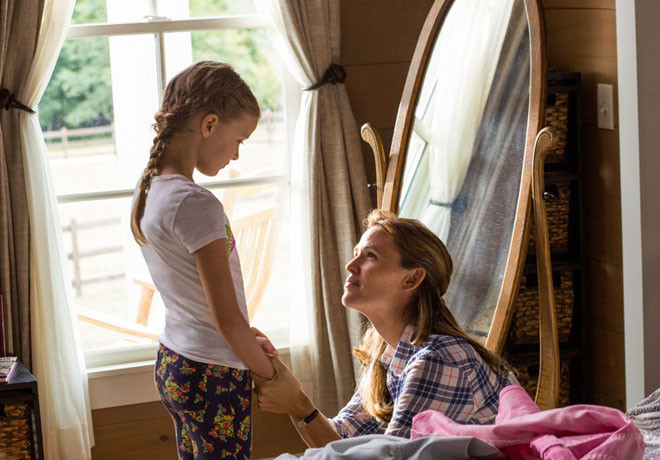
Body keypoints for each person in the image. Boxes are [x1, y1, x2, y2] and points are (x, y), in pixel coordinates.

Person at [253, 209, 515, 447]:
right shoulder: (389, 356)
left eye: (370, 256)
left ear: (412, 278)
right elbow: (341, 438)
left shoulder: (440, 360)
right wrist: (283, 381)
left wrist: (298, 404)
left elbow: (389, 457)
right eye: (356, 254)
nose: (350, 266)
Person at [130, 61, 276, 460]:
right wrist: (270, 375)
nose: (237, 154)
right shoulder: (196, 203)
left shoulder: (149, 188)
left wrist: (250, 340)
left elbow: (194, 295)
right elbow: (225, 319)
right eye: (239, 139)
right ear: (210, 124)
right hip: (214, 374)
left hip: (175, 361)